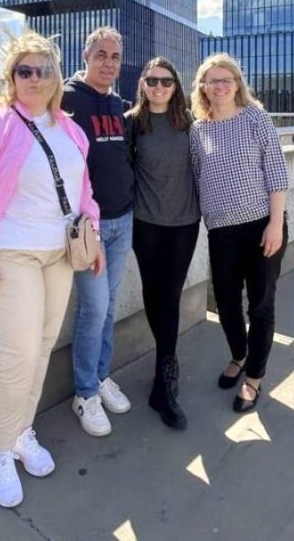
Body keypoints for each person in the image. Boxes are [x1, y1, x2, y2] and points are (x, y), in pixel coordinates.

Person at [0, 31, 102, 508]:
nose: (34, 78)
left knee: (42, 349)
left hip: (58, 255)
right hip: (7, 256)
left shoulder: (70, 129)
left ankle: (20, 430)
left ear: (57, 78)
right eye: (24, 71)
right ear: (11, 78)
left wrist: (90, 241)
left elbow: (82, 191)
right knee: (16, 355)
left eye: (43, 70)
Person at [189, 52, 289, 413]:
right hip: (221, 232)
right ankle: (238, 354)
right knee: (227, 303)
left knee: (261, 305)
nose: (219, 86)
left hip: (262, 226)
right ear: (203, 86)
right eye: (212, 80)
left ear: (237, 84)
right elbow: (198, 176)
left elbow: (277, 173)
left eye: (226, 79)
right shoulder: (197, 130)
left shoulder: (256, 119)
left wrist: (275, 224)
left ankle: (254, 378)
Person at [61, 26, 134, 436]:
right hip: (88, 226)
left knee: (108, 307)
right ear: (86, 56)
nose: (109, 63)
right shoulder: (68, 97)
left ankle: (101, 376)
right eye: (101, 54)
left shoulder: (117, 102)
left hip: (123, 219)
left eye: (115, 57)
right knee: (94, 310)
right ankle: (84, 392)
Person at [125, 56, 200, 430]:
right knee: (155, 296)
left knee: (168, 297)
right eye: (152, 81)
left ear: (176, 86)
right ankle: (164, 375)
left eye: (165, 82)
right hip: (145, 224)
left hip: (184, 224)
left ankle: (164, 382)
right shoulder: (131, 124)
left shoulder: (190, 123)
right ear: (142, 83)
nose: (158, 87)